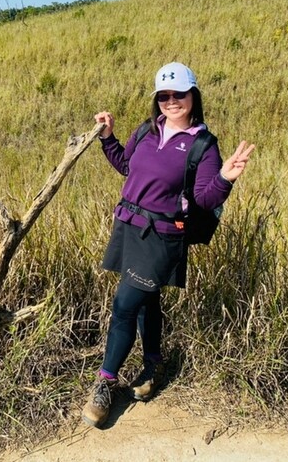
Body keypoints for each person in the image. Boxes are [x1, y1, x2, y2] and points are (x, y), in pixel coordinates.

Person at [82, 62, 255, 428]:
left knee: (124, 305)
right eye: (164, 95)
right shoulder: (147, 130)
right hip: (129, 226)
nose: (171, 101)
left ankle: (105, 382)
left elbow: (205, 199)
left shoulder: (203, 145)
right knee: (146, 301)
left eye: (179, 94)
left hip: (161, 238)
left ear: (194, 96)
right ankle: (153, 364)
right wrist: (108, 138)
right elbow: (128, 167)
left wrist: (225, 178)